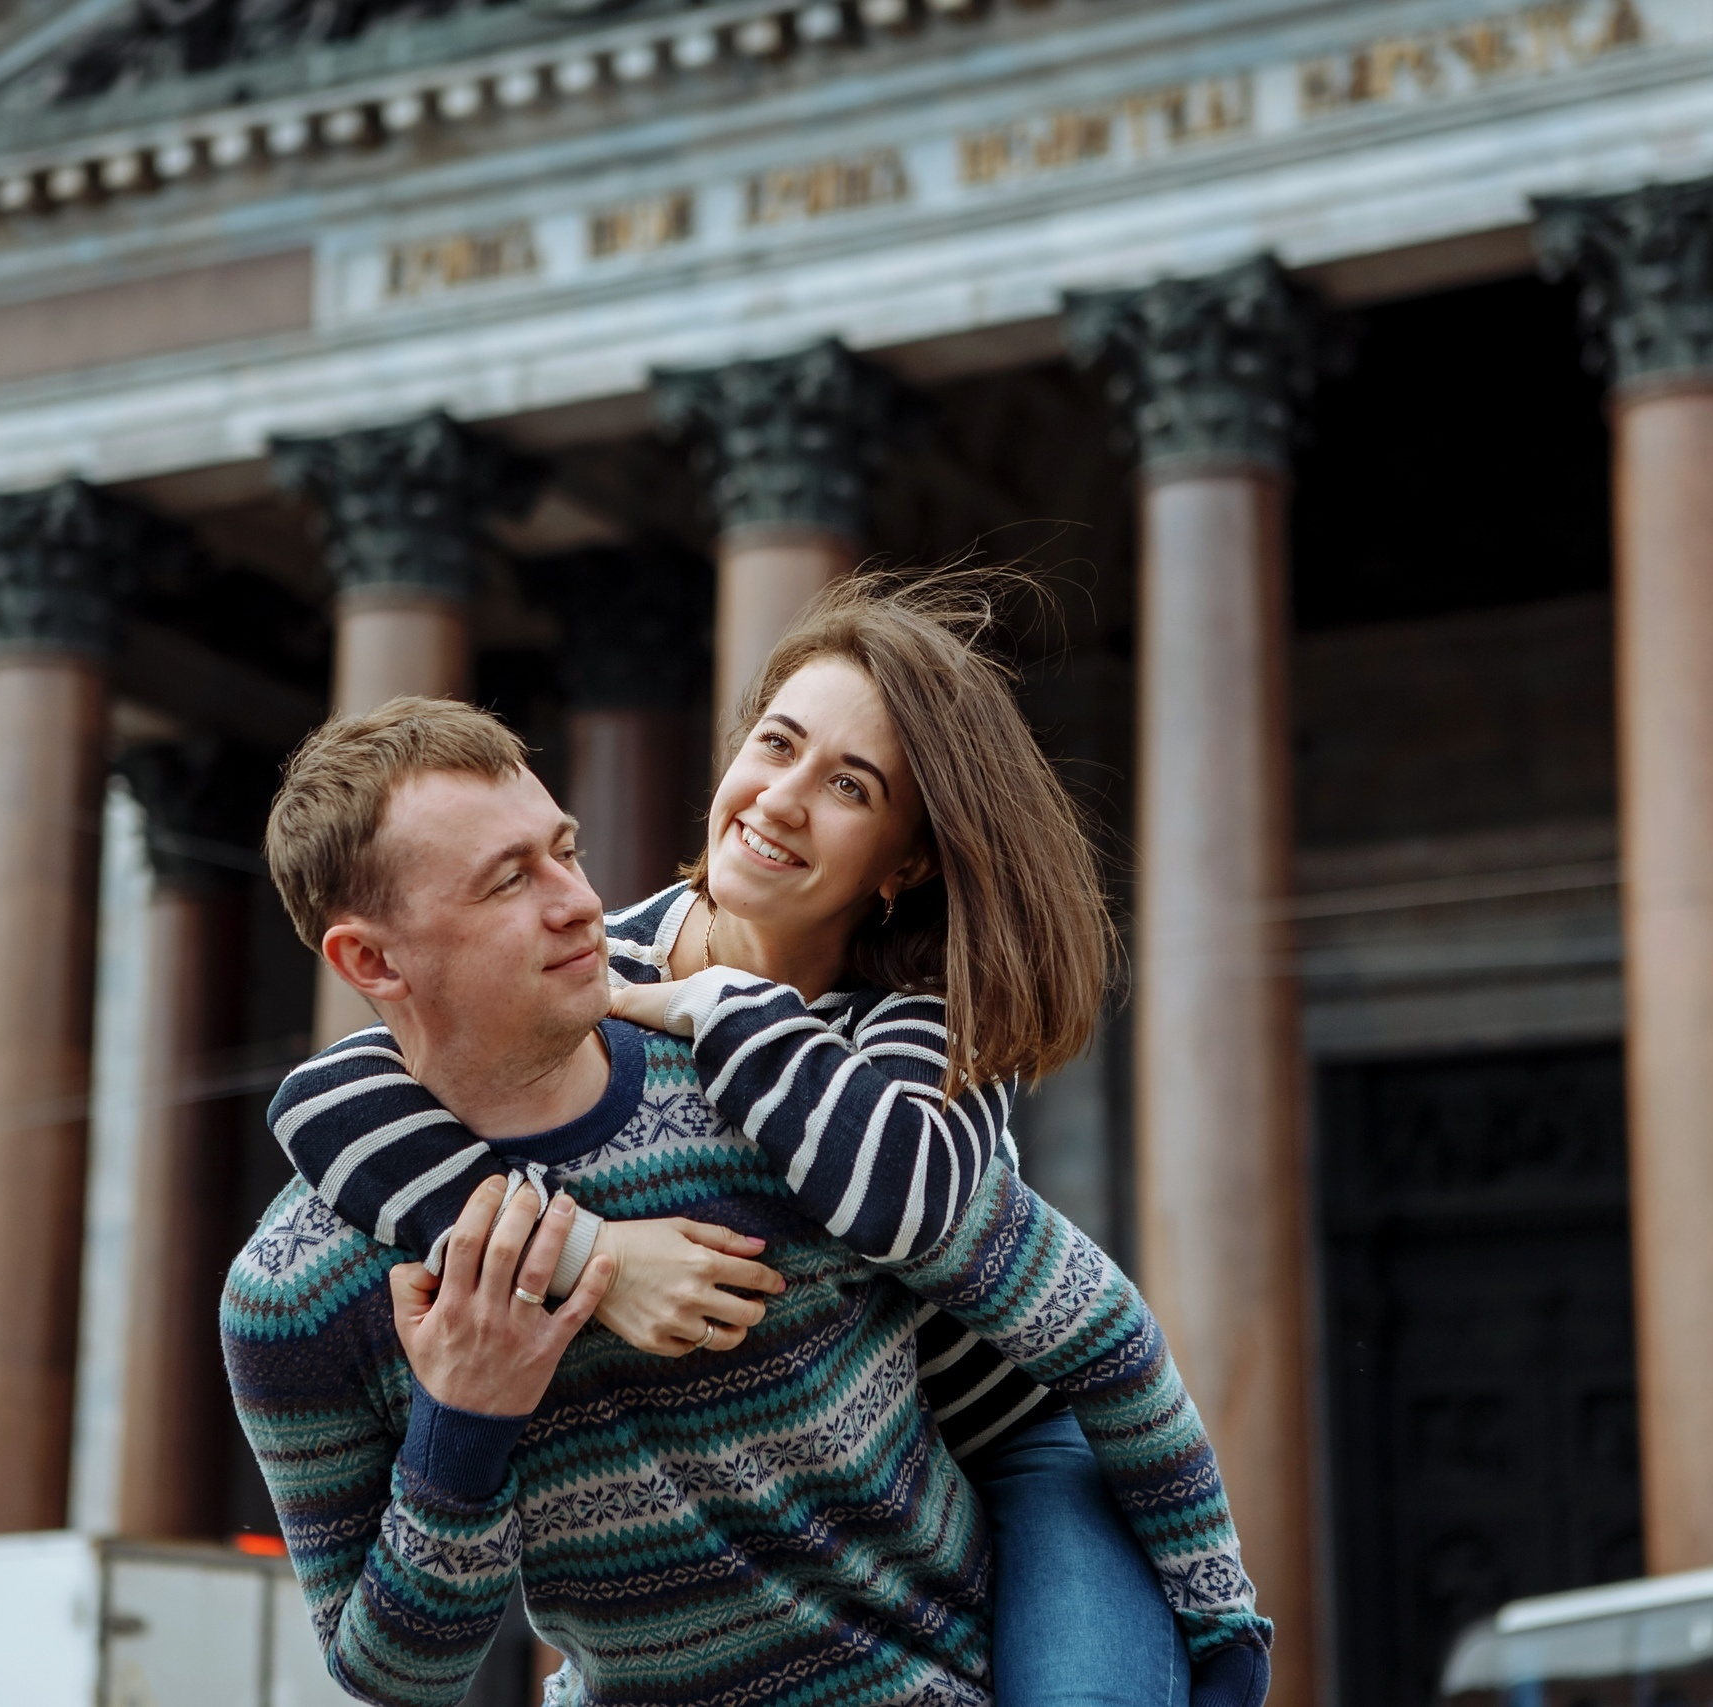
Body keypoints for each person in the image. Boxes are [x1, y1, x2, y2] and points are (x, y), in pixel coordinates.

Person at [260, 577, 1265, 1706]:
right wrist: (593, 1255)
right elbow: (328, 1095)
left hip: (1014, 1439)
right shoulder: (607, 963)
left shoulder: (923, 1022)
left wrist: (1216, 1610)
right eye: (775, 744)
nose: (781, 800)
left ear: (907, 861)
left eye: (849, 785)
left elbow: (920, 1209)